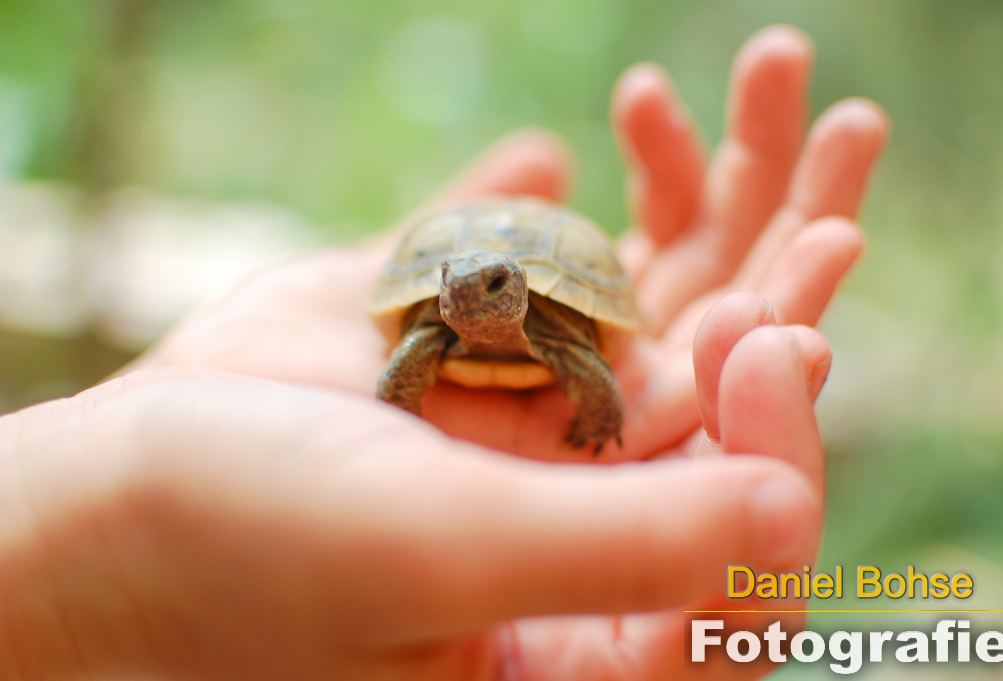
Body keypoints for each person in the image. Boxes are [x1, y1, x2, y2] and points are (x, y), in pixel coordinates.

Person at [0, 26, 887, 680]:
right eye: (461, 289)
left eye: (493, 286)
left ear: (518, 292)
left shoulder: (554, 325)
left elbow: (590, 362)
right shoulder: (432, 326)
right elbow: (407, 364)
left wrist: (600, 408)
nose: (470, 298)